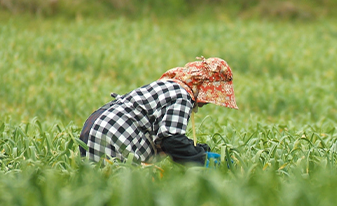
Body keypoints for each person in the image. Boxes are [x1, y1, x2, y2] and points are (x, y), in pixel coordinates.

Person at [79, 57, 237, 165]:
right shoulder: (182, 96)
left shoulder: (169, 86)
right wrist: (202, 160)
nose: (206, 103)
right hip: (113, 136)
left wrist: (197, 150)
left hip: (95, 128)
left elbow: (164, 135)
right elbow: (172, 141)